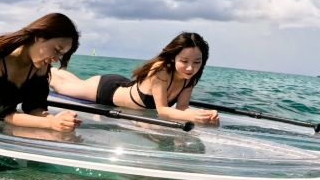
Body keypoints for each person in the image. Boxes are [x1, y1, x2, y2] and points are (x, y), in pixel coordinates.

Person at [50, 32, 219, 125]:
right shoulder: (161, 70)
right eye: (184, 61)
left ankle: (54, 70)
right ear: (173, 57)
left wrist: (203, 114)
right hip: (106, 91)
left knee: (74, 82)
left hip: (124, 85)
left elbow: (182, 107)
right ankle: (45, 70)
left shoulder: (189, 76)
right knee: (60, 86)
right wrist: (194, 117)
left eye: (197, 62)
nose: (190, 67)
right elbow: (163, 110)